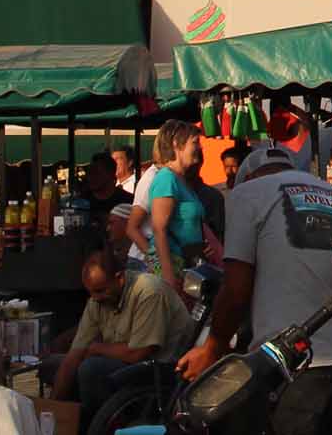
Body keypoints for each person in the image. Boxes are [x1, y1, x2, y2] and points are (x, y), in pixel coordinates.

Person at [175, 145, 332, 433]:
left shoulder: (248, 194)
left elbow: (236, 287)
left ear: (248, 177)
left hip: (297, 365)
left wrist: (212, 348)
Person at [51, 249, 190, 427]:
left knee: (91, 368)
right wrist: (50, 408)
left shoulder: (149, 291)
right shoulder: (97, 299)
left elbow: (140, 353)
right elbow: (75, 353)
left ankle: (96, 427)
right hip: (131, 363)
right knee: (56, 366)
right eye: (91, 292)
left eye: (101, 291)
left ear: (120, 278)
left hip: (163, 368)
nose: (95, 298)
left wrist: (96, 348)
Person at [135, 120, 212, 287]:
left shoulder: (182, 180)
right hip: (174, 268)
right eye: (195, 142)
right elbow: (159, 229)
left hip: (188, 266)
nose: (199, 147)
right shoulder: (167, 179)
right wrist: (168, 276)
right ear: (177, 144)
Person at [76, 153, 133, 240]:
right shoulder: (81, 202)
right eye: (90, 172)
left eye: (97, 172)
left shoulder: (128, 201)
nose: (91, 177)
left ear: (111, 174)